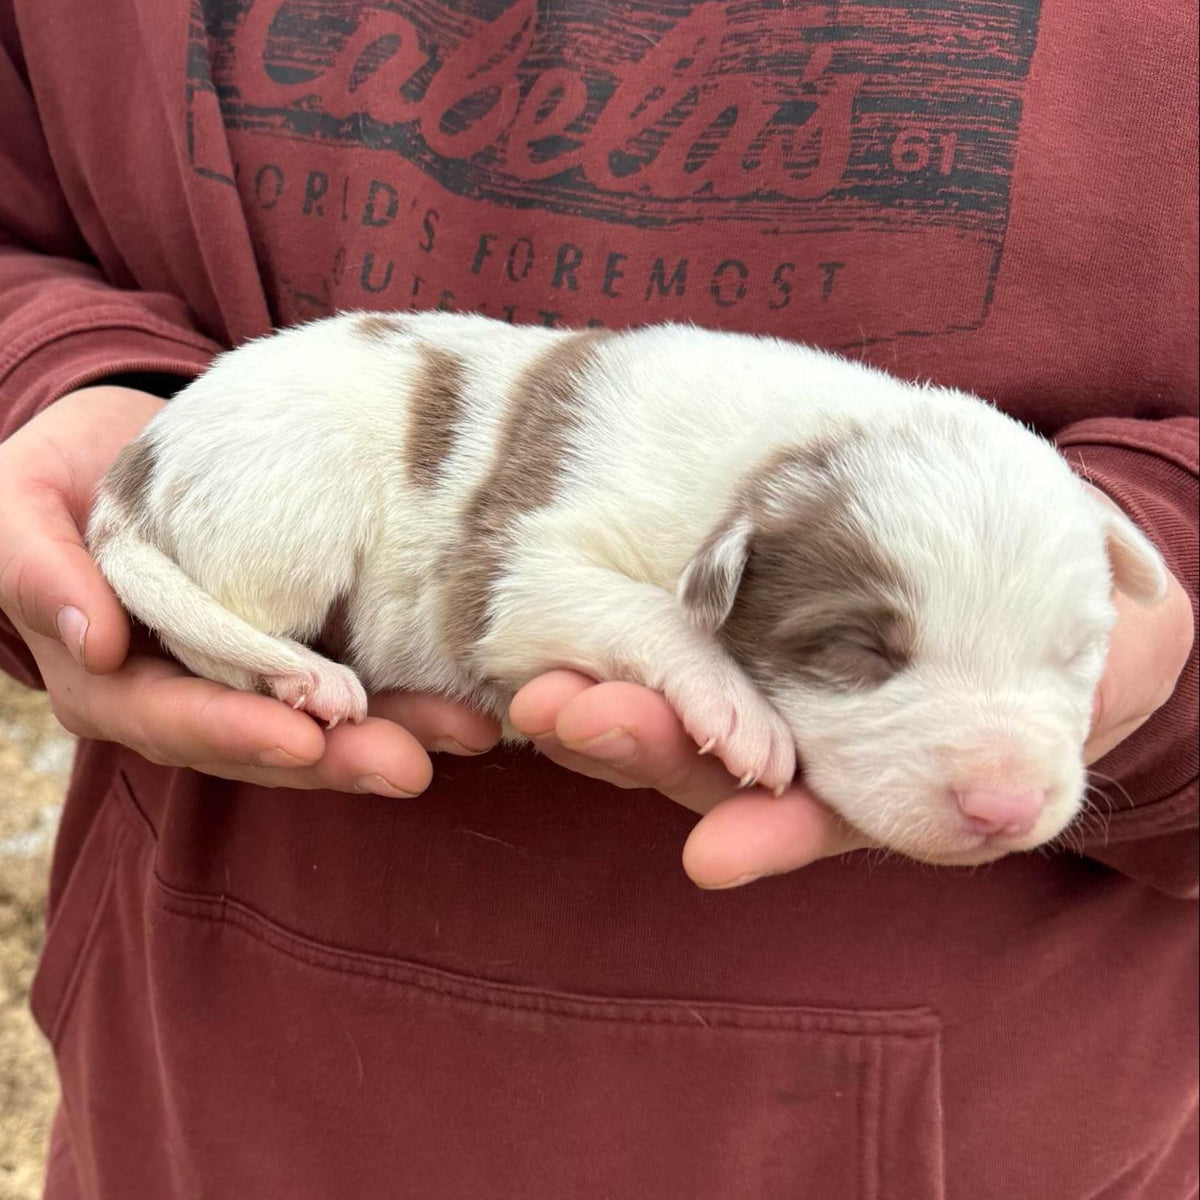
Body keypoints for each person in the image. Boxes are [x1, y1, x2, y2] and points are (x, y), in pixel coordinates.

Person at [0, 1, 1195, 1196]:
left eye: (1062, 655)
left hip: (984, 1112)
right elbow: (524, 595)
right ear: (722, 569)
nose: (1005, 787)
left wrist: (1171, 605)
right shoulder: (668, 488)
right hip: (212, 1071)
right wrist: (52, 373)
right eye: (869, 661)